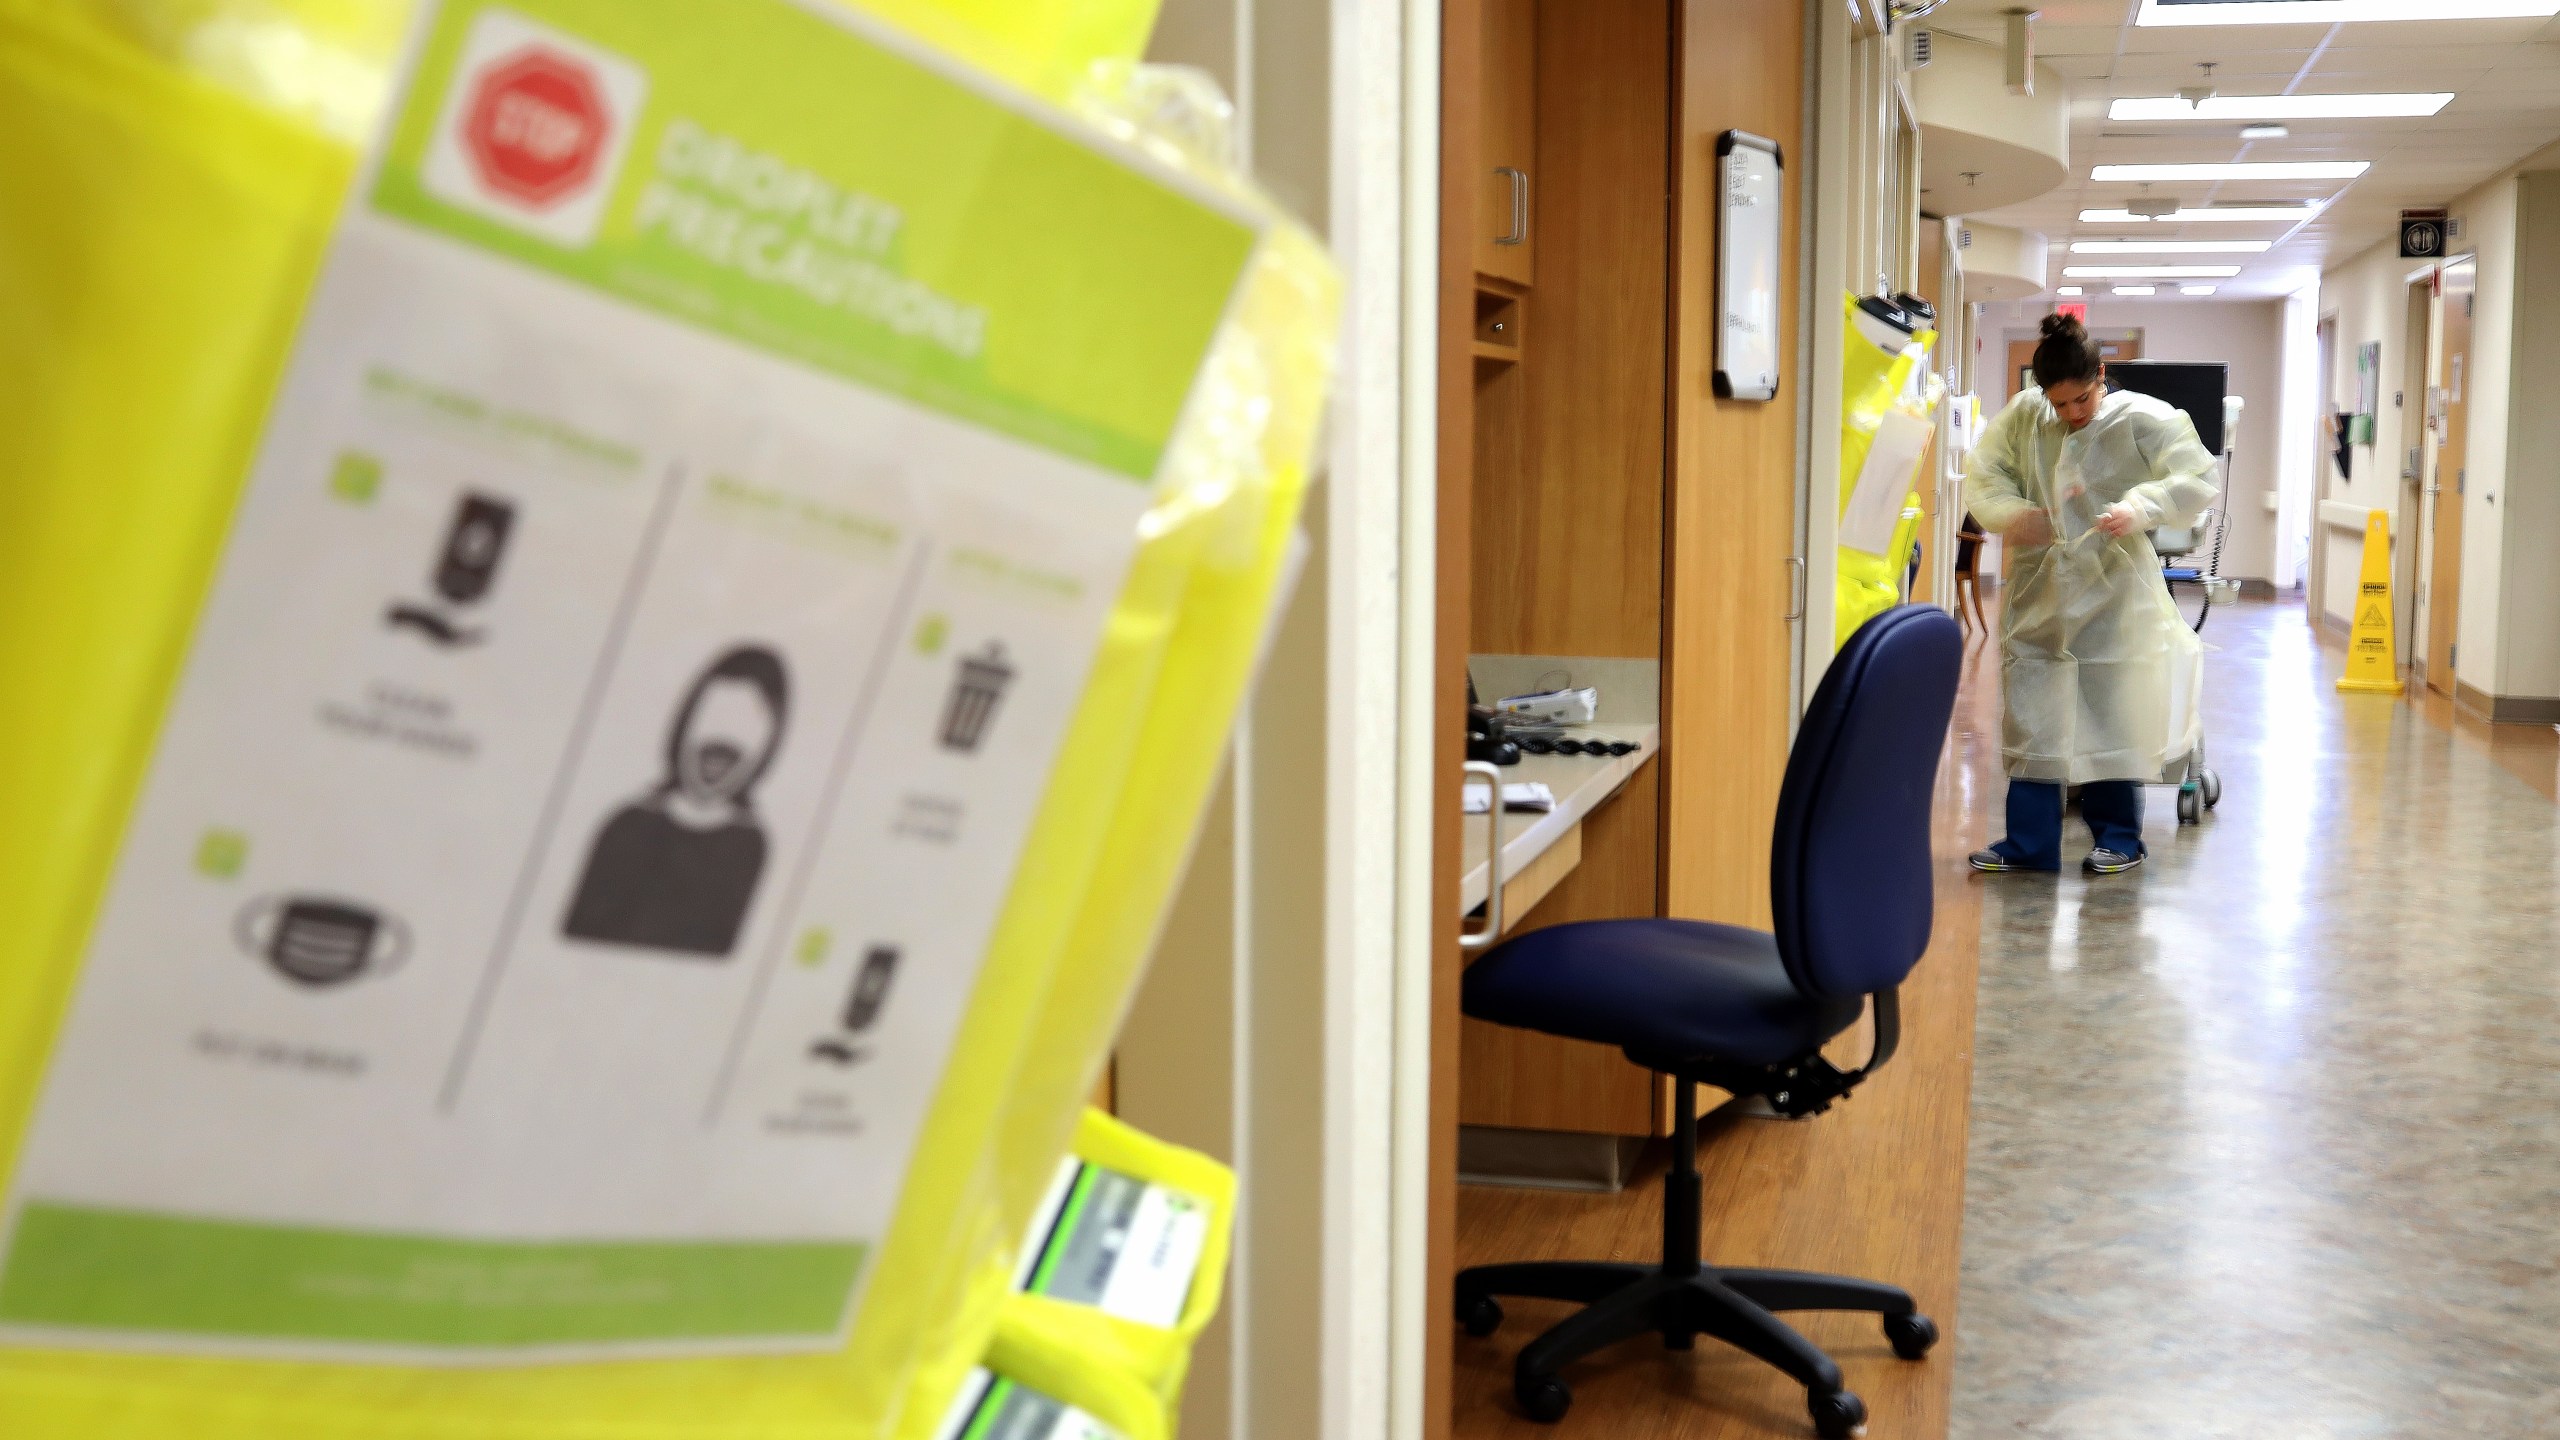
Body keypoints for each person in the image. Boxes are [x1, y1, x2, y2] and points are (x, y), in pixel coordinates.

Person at [1963, 315, 2216, 876]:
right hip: (2041, 589)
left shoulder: (2141, 419)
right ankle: (2028, 844)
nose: (2071, 414)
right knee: (2033, 707)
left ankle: (2120, 839)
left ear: (2101, 375)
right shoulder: (2027, 416)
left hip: (2115, 590)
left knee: (2110, 711)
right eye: (2058, 405)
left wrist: (2142, 507)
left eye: (2080, 399)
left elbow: (2196, 475)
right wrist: (2014, 516)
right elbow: (1984, 473)